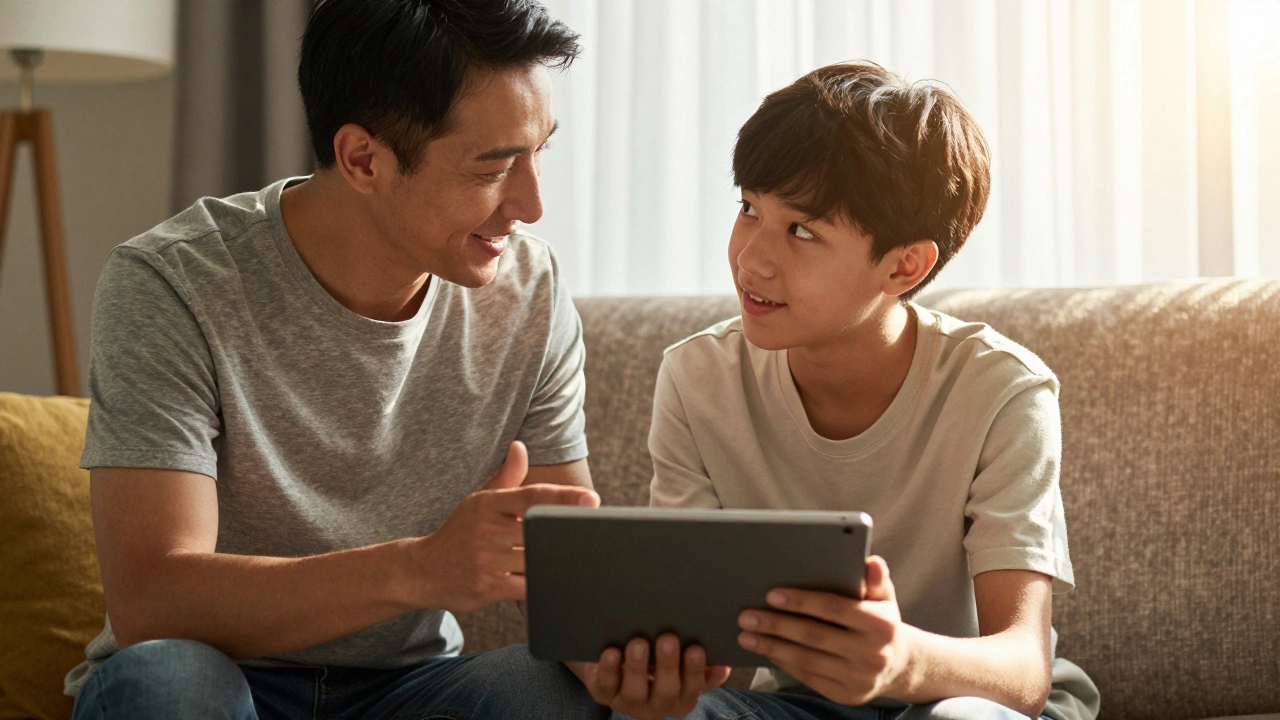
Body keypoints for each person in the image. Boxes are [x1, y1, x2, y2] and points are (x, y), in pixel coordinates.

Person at [65, 1, 614, 718]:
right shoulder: (174, 282)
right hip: (217, 675)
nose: (533, 204)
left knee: (549, 697)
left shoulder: (530, 293)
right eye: (496, 168)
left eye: (540, 151)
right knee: (171, 688)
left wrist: (626, 663)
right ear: (363, 159)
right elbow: (152, 601)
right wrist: (420, 570)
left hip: (409, 688)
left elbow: (568, 574)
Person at [577, 63, 1101, 720]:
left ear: (903, 264)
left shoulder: (1002, 392)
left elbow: (1023, 669)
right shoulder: (696, 379)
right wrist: (662, 675)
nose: (751, 260)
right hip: (797, 706)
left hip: (965, 699)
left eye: (801, 230)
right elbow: (715, 654)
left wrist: (901, 660)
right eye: (748, 209)